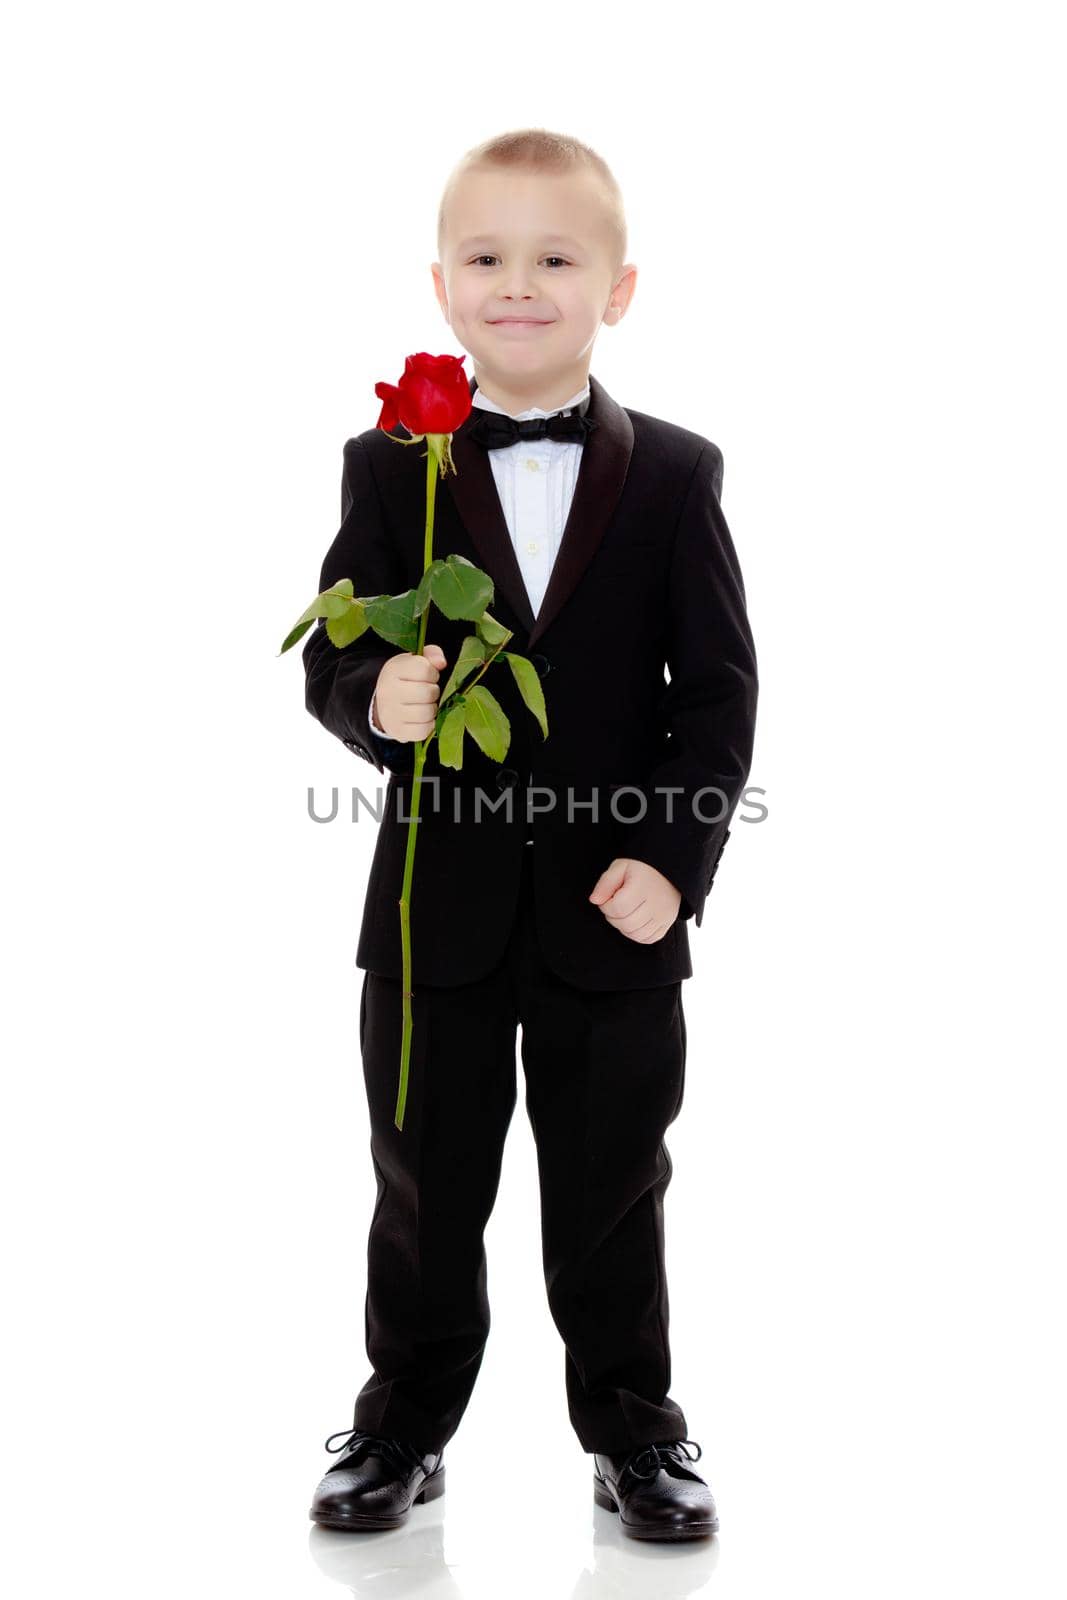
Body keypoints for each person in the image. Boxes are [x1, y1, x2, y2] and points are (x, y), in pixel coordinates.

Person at [302, 127, 758, 1542]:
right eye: (488, 259)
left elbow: (722, 695)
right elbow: (332, 644)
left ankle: (637, 1432)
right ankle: (401, 1425)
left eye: (556, 258)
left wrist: (674, 865)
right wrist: (376, 691)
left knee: (615, 1183)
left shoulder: (680, 473)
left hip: (613, 903)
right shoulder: (388, 465)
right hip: (438, 904)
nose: (520, 284)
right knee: (423, 1181)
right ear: (442, 287)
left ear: (616, 289)